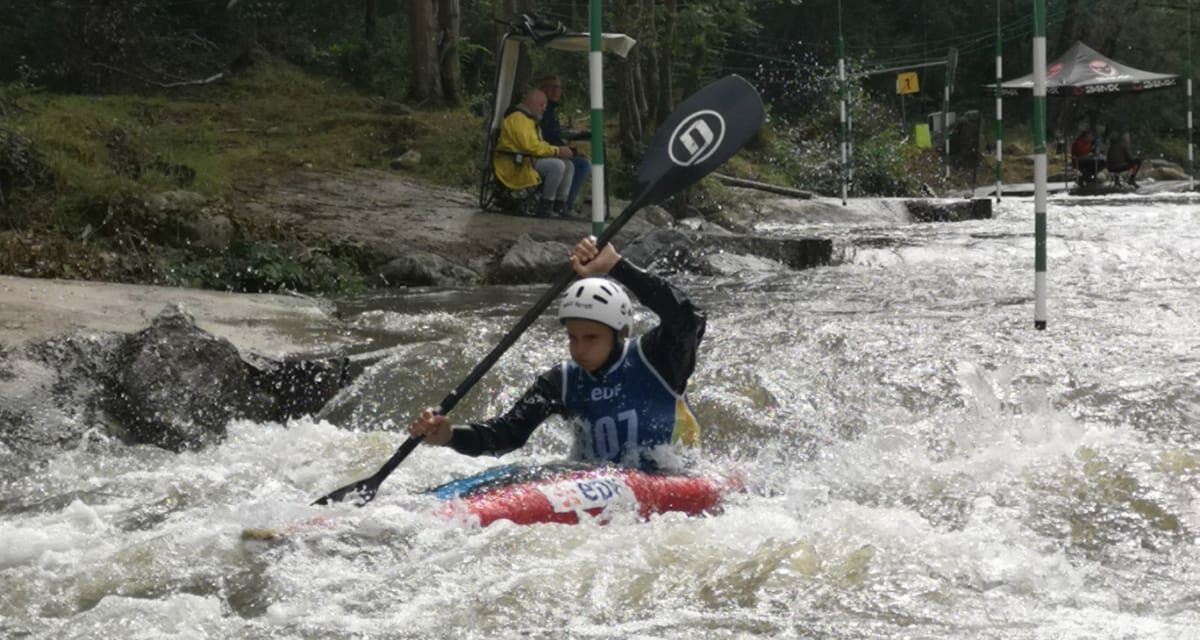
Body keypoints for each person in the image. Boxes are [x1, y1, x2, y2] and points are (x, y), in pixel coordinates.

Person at [409, 235, 705, 471]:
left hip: (675, 479)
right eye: (572, 337)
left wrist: (615, 265)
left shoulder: (658, 360)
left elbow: (687, 319)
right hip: (598, 486)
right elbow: (507, 434)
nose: (579, 349)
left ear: (619, 333)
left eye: (591, 337)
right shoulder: (562, 381)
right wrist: (449, 436)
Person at [493, 88, 575, 217]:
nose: (544, 109)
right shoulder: (518, 118)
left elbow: (538, 144)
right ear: (531, 103)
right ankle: (546, 205)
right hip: (517, 162)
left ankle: (560, 205)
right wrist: (556, 151)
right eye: (542, 105)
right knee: (557, 165)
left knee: (568, 165)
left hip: (529, 159)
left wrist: (558, 150)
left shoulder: (530, 120)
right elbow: (529, 147)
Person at [539, 75, 592, 213]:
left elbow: (553, 132)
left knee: (582, 161)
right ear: (543, 89)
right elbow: (546, 136)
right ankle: (564, 204)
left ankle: (564, 203)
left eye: (558, 87)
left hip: (552, 149)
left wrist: (570, 139)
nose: (557, 91)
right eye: (553, 87)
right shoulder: (541, 109)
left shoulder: (550, 109)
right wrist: (569, 149)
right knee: (582, 164)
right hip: (545, 152)